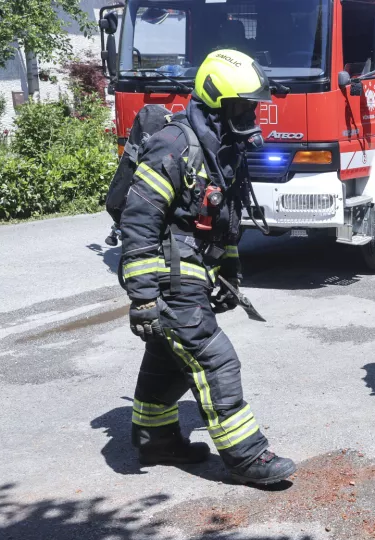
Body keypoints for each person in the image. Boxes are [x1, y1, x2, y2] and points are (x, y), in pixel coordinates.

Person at [119, 50, 295, 485]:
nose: (253, 113)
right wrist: (143, 295)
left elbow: (224, 221)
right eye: (245, 105)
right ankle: (247, 457)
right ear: (219, 102)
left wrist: (230, 270)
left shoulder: (222, 146)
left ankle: (155, 440)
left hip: (194, 269)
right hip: (170, 273)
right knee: (214, 359)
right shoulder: (176, 144)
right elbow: (139, 217)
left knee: (167, 355)